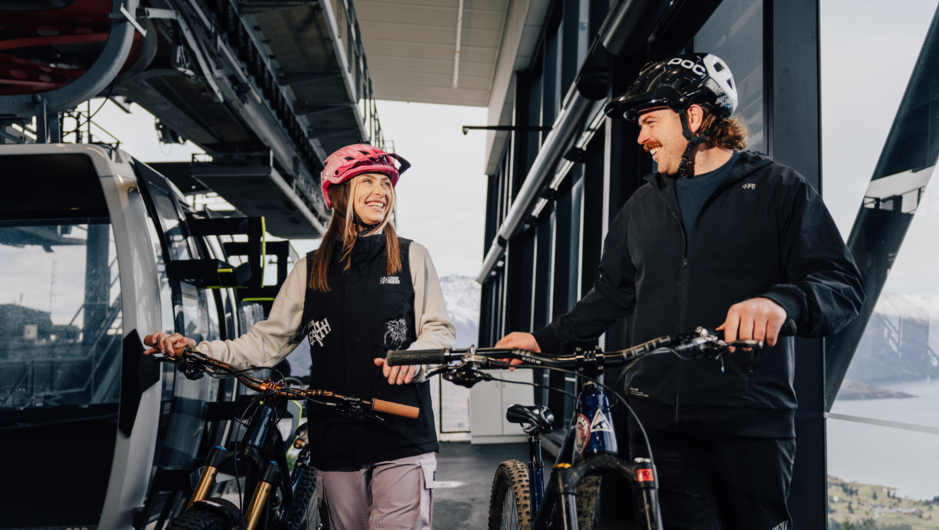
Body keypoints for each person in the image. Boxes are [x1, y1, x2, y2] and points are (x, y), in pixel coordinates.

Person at [495, 53, 865, 529]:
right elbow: (610, 295)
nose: (641, 136)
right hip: (657, 424)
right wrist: (543, 340)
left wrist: (781, 302)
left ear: (694, 116)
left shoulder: (780, 189)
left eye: (650, 121)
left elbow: (842, 284)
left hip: (750, 424)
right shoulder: (642, 205)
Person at [145, 143, 456, 530]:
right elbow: (267, 341)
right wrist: (198, 350)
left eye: (386, 183)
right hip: (334, 440)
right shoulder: (310, 269)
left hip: (401, 435)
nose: (382, 191)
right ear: (340, 193)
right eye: (368, 181)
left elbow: (438, 330)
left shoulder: (412, 256)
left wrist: (413, 359)